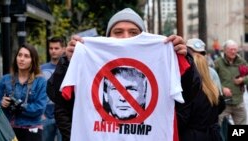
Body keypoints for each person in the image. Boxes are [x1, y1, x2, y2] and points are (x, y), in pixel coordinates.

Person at [47, 8, 200, 141]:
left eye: (133, 32)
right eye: (118, 32)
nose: (126, 37)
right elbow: (58, 97)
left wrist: (183, 60)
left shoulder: (161, 55)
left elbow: (188, 95)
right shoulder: (88, 56)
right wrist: (67, 63)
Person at [0, 43, 47, 141]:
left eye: (26, 56)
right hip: (8, 130)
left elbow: (40, 108)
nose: (21, 59)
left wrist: (20, 107)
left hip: (32, 129)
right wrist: (1, 103)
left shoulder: (40, 81)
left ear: (33, 60)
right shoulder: (5, 80)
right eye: (19, 55)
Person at [215, 39, 248, 125]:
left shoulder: (242, 62)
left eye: (235, 49)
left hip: (238, 102)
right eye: (231, 49)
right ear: (225, 50)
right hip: (223, 102)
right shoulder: (218, 63)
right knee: (217, 125)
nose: (233, 52)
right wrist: (222, 89)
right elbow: (211, 80)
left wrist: (243, 79)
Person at [41, 37, 66, 141]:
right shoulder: (41, 69)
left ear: (63, 49)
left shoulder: (69, 67)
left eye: (56, 48)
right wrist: (41, 114)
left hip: (64, 114)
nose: (53, 51)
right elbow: (36, 91)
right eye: (51, 48)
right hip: (46, 114)